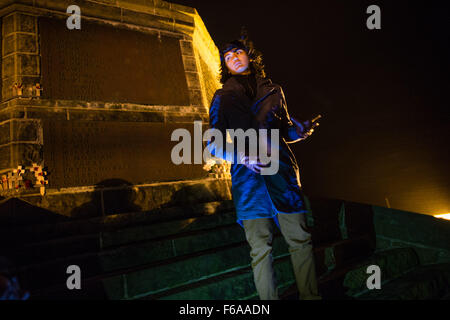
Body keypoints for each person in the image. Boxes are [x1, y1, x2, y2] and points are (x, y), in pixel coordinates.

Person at [206, 36, 322, 300]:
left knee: (300, 240)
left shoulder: (275, 90)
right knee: (260, 250)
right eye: (228, 56)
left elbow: (284, 131)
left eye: (238, 52)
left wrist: (299, 132)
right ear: (225, 64)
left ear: (250, 56)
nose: (234, 57)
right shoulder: (222, 97)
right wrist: (241, 156)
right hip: (249, 182)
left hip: (282, 175)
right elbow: (213, 143)